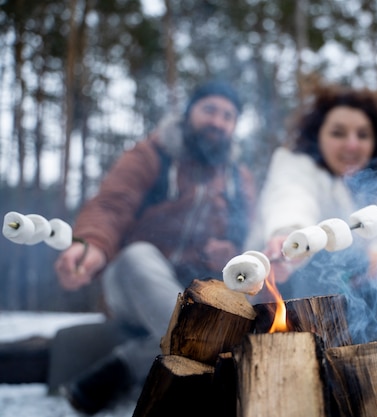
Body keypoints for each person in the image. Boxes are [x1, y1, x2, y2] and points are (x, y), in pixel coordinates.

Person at [53, 80, 255, 414]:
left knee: (240, 308)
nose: (218, 121)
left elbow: (247, 240)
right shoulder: (152, 155)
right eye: (210, 111)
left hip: (197, 292)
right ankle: (222, 385)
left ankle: (124, 366)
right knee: (138, 256)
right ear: (189, 113)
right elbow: (110, 206)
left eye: (228, 116)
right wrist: (91, 244)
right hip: (135, 284)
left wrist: (232, 252)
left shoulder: (239, 179)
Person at [246, 81, 377, 342]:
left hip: (347, 297)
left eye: (362, 135)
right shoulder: (296, 165)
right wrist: (287, 236)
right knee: (328, 259)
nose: (352, 144)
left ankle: (347, 360)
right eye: (338, 133)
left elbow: (372, 259)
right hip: (284, 284)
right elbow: (290, 198)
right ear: (318, 136)